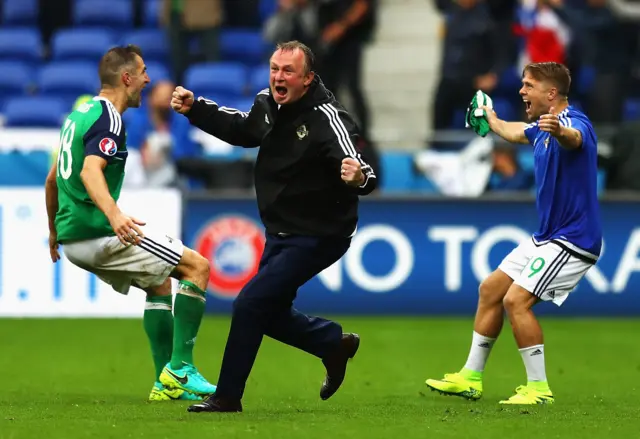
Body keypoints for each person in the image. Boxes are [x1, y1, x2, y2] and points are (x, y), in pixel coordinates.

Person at [170, 40, 377, 413]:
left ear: (307, 78)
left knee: (249, 303)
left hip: (321, 234)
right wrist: (195, 110)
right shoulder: (268, 102)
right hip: (281, 230)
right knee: (267, 311)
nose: (278, 78)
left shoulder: (328, 118)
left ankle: (228, 397)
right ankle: (332, 342)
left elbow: (361, 167)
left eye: (288, 72)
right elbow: (243, 129)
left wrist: (359, 177)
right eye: (274, 69)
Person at [44, 45, 217, 402]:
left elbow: (51, 180)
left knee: (158, 285)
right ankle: (181, 370)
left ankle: (163, 383)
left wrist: (52, 231)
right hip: (98, 232)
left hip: (74, 239)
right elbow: (90, 170)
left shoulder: (78, 116)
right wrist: (115, 215)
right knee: (197, 268)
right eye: (143, 72)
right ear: (127, 78)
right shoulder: (110, 117)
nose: (148, 80)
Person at [425, 62, 602, 405]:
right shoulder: (540, 127)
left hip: (574, 239)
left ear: (551, 94)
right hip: (549, 236)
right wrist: (490, 119)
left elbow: (574, 139)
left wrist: (558, 131)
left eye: (528, 85)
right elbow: (514, 130)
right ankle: (470, 377)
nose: (521, 91)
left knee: (515, 301)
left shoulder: (573, 123)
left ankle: (538, 389)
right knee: (492, 288)